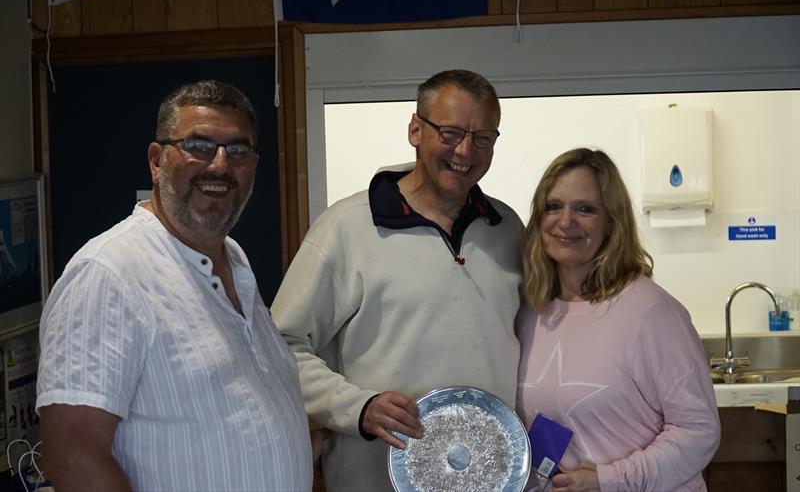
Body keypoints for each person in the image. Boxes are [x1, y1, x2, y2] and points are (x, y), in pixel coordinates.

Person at [36, 80, 313, 491]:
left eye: (237, 151)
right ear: (156, 160)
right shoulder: (109, 273)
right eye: (198, 146)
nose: (219, 165)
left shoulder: (235, 260)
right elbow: (73, 458)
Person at [271, 69, 523, 491]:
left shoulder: (508, 228)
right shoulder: (347, 227)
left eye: (483, 138)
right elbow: (279, 345)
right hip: (372, 479)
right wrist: (358, 407)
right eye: (450, 132)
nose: (465, 150)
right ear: (415, 130)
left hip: (490, 480)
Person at [516, 148, 720, 492]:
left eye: (585, 209)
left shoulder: (651, 312)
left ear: (612, 221)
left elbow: (699, 430)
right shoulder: (530, 311)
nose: (565, 221)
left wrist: (610, 480)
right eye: (553, 206)